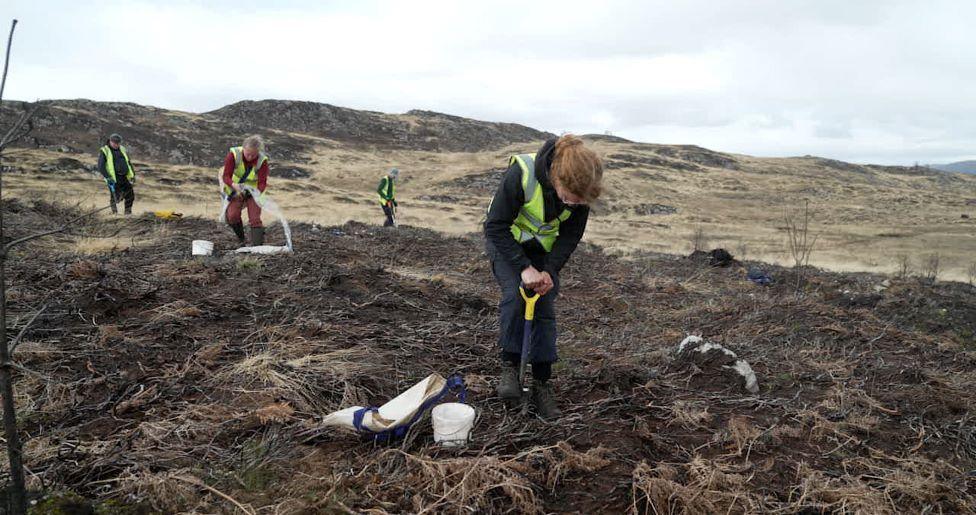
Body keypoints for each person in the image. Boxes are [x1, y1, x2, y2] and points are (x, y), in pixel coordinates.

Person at [484, 135, 603, 419]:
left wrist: (549, 270)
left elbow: (570, 236)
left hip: (543, 255)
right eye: (567, 199)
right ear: (556, 177)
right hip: (507, 244)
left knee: (544, 307)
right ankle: (510, 368)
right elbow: (496, 226)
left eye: (577, 203)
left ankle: (541, 382)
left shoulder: (582, 191)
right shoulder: (521, 174)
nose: (572, 206)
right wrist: (524, 268)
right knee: (515, 296)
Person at [222, 135, 270, 245]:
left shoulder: (262, 161)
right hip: (236, 190)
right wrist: (233, 185)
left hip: (254, 192)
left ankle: (258, 246)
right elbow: (226, 176)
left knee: (255, 219)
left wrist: (255, 192)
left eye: (254, 155)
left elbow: (262, 182)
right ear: (243, 148)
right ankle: (241, 240)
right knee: (232, 216)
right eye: (248, 153)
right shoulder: (233, 155)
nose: (250, 157)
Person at [97, 133, 136, 215]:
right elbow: (101, 166)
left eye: (118, 143)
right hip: (113, 178)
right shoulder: (105, 150)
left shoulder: (122, 149)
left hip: (125, 177)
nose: (116, 144)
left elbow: (128, 163)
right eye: (114, 142)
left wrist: (132, 175)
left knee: (130, 195)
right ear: (110, 141)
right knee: (115, 197)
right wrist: (108, 177)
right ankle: (114, 213)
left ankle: (128, 213)